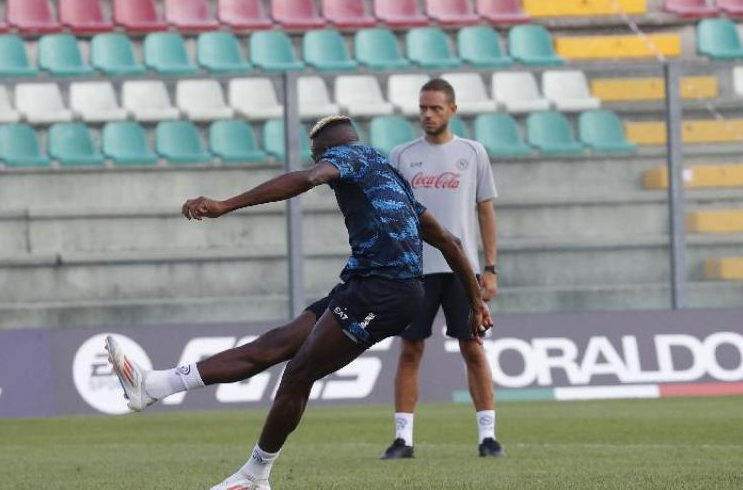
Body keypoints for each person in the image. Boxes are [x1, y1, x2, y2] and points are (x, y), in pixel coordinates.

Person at [105, 115, 494, 490]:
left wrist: (225, 205)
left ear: (330, 149)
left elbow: (307, 180)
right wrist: (476, 301)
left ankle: (256, 474)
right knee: (272, 346)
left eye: (318, 154)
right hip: (363, 286)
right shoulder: (387, 174)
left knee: (298, 372)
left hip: (385, 292)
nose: (318, 162)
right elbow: (451, 243)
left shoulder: (348, 157)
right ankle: (153, 385)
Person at [382, 78, 504, 460]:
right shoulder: (401, 155)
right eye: (422, 108)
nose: (427, 115)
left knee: (473, 347)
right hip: (414, 269)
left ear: (452, 109)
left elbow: (485, 210)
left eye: (435, 108)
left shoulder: (473, 153)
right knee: (410, 349)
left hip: (461, 270)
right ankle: (403, 439)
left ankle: (488, 437)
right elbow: (390, 213)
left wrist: (490, 266)